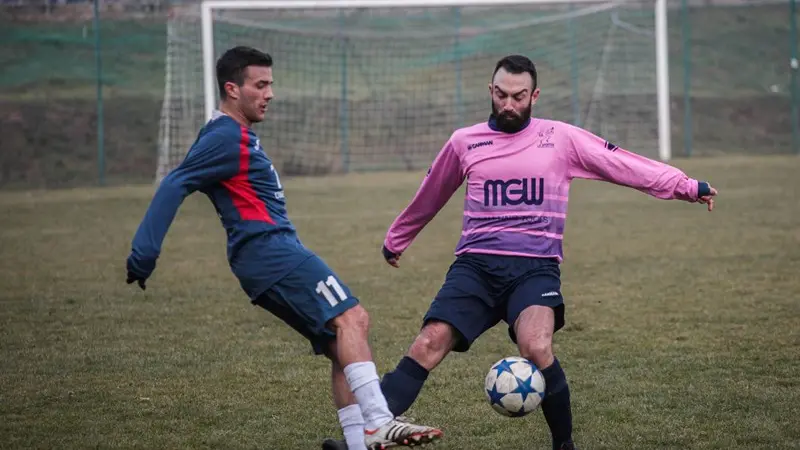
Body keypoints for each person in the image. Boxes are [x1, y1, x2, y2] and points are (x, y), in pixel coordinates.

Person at [321, 54, 717, 450]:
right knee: (427, 343)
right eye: (501, 94)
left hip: (535, 270)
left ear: (535, 95)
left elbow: (620, 163)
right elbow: (432, 192)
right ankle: (363, 439)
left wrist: (685, 186)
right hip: (475, 267)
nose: (508, 104)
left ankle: (564, 445)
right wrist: (398, 238)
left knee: (537, 346)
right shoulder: (465, 142)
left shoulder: (560, 138)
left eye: (518, 96)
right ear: (490, 91)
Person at [125, 45, 443, 450]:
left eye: (270, 84)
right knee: (354, 319)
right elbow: (175, 183)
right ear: (232, 89)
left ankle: (358, 444)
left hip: (267, 255)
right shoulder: (224, 136)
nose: (269, 93)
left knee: (342, 347)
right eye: (260, 85)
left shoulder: (235, 135)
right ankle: (378, 422)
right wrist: (144, 253)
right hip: (269, 252)